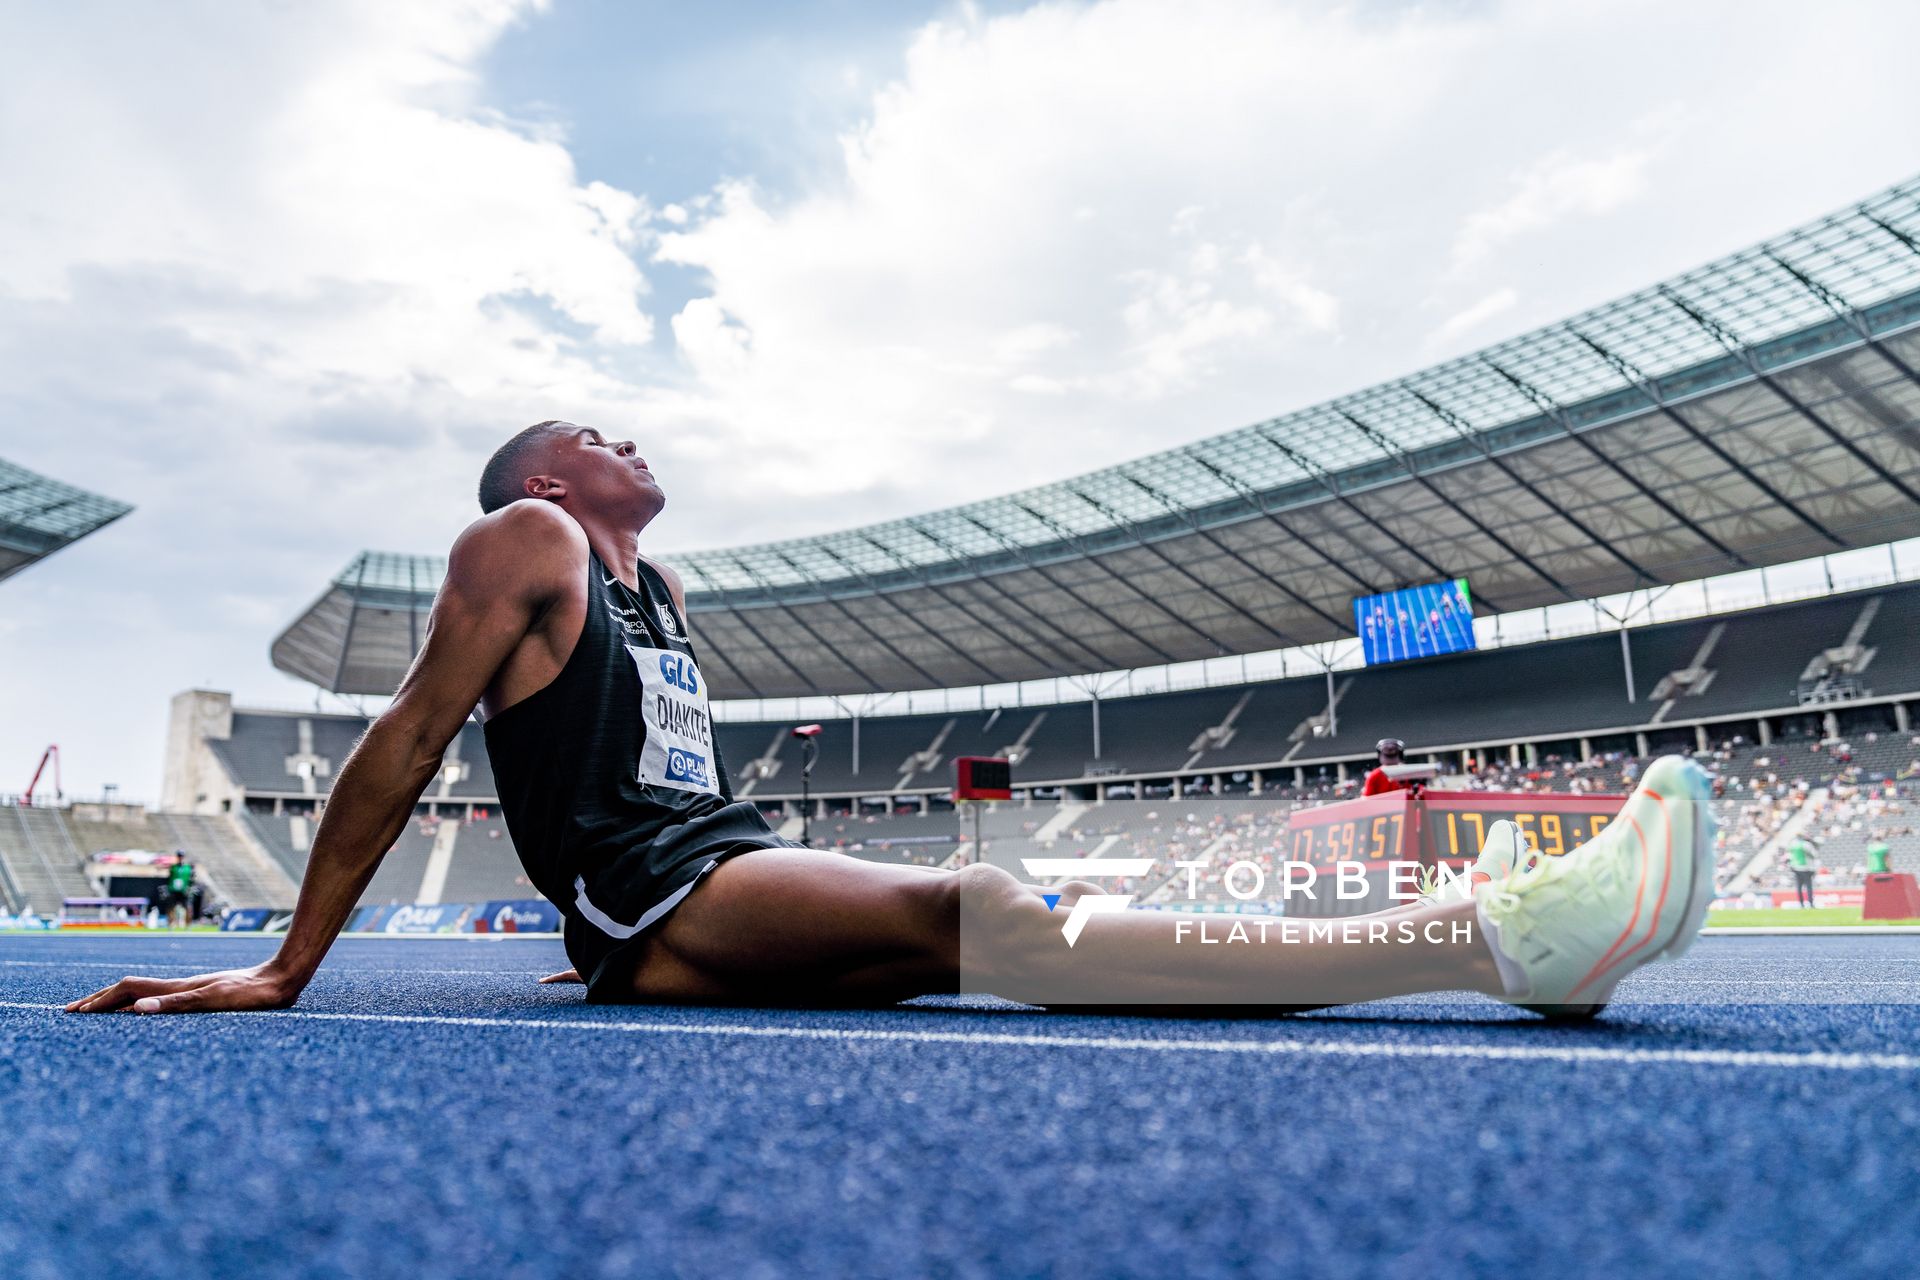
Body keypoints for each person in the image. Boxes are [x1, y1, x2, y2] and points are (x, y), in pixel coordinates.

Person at [70, 421, 1716, 1021]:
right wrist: (292, 960)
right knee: (991, 914)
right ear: (545, 481)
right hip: (666, 893)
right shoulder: (527, 543)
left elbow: (594, 761)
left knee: (992, 934)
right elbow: (414, 734)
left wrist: (599, 921)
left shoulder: (665, 595)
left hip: (679, 883)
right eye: (588, 427)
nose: (623, 433)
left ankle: (1503, 938)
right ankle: (1500, 933)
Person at [1787, 837, 1816, 908]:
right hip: (1806, 868)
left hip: (1796, 868)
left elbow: (1789, 856)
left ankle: (1801, 904)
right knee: (1809, 887)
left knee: (1799, 887)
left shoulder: (1792, 844)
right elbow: (1814, 855)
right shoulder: (1806, 844)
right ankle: (1811, 903)